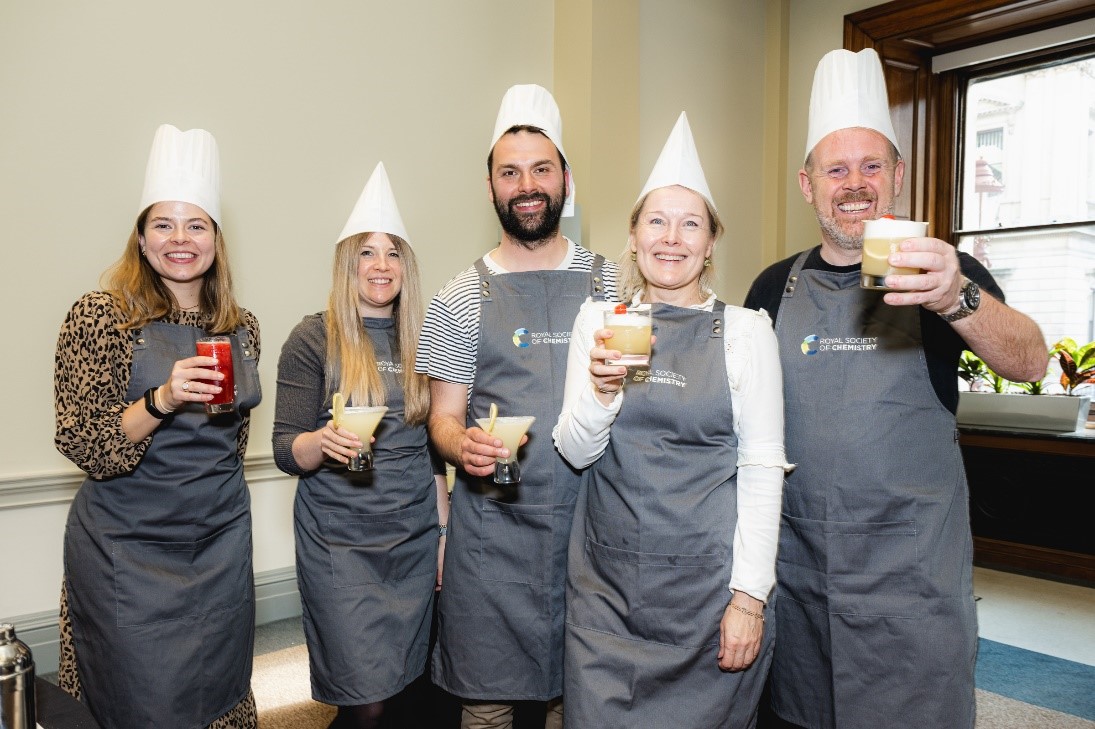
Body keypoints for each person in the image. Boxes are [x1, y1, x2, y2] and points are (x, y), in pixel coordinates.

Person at [744, 49, 1047, 729]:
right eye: (836, 168)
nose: (854, 184)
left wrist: (956, 297)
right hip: (799, 576)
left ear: (898, 176)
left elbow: (1030, 361)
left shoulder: (943, 271)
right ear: (807, 184)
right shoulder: (771, 287)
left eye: (871, 165)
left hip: (909, 582)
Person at [554, 112, 789, 728]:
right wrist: (603, 391)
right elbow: (575, 453)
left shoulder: (745, 333)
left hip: (706, 595)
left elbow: (763, 469)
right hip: (605, 590)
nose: (672, 238)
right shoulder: (598, 321)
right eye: (656, 220)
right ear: (632, 235)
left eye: (691, 224)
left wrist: (749, 599)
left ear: (712, 242)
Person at [415, 83, 618, 729]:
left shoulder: (612, 283)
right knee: (487, 700)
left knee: (578, 696)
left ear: (565, 179)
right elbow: (442, 418)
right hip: (493, 540)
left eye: (540, 168)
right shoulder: (456, 298)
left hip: (595, 529)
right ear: (490, 186)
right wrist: (460, 443)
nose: (525, 185)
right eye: (509, 172)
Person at [54, 124, 261, 729]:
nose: (180, 240)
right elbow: (85, 443)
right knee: (136, 700)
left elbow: (231, 443)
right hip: (129, 553)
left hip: (219, 546)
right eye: (163, 225)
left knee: (219, 691)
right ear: (141, 239)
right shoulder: (101, 316)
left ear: (216, 241)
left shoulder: (241, 325)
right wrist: (164, 398)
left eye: (196, 225)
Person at [272, 162, 448, 729]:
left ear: (407, 266)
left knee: (407, 690)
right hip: (340, 544)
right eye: (366, 254)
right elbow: (283, 448)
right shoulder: (312, 337)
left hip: (414, 537)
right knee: (365, 696)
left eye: (393, 252)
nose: (380, 265)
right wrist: (320, 441)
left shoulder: (425, 337)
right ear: (347, 265)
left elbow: (431, 452)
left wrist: (444, 535)